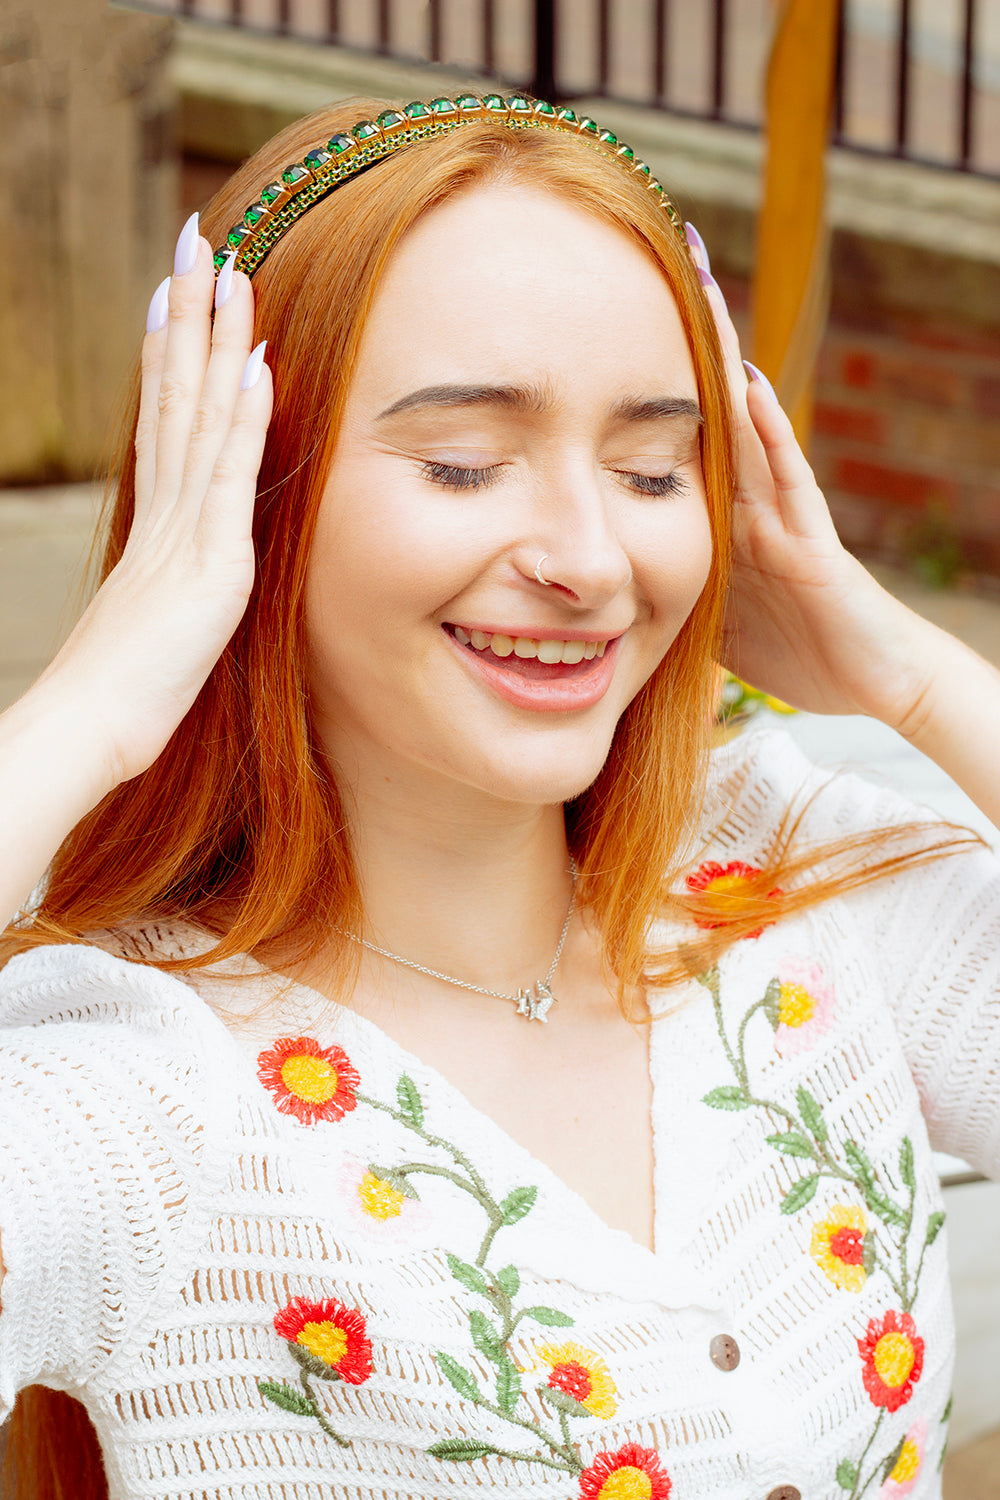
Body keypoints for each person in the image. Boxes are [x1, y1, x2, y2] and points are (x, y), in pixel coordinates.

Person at [1, 92, 998, 1500]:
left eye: (654, 468)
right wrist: (105, 695)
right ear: (248, 495)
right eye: (466, 463)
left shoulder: (792, 885)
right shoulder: (148, 1089)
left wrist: (906, 670)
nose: (591, 557)